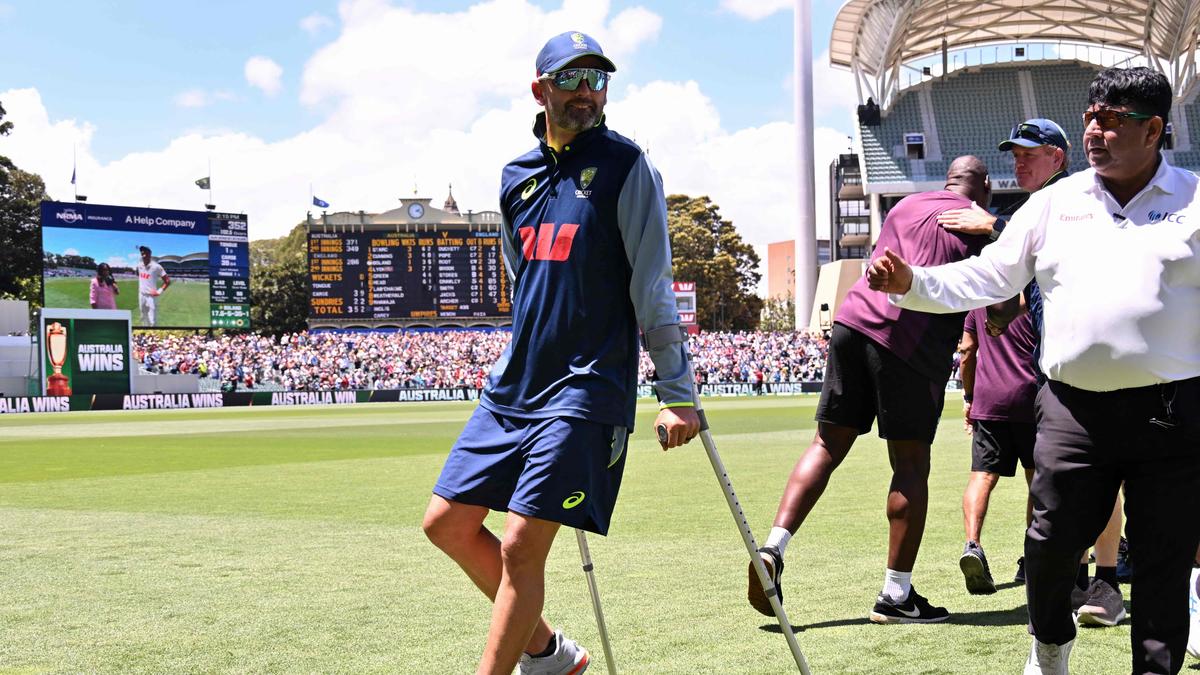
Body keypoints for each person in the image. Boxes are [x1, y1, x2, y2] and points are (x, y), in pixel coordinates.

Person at [867, 67, 1200, 675]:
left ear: (1153, 130)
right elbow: (989, 276)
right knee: (1048, 549)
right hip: (1073, 408)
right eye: (1090, 117)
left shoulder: (1195, 198)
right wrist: (914, 282)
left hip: (1173, 411)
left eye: (1111, 120)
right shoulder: (1053, 204)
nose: (1094, 131)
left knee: (1163, 560)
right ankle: (1050, 648)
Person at [421, 31, 700, 675]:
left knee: (521, 545)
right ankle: (548, 654)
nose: (585, 92)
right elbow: (522, 280)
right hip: (515, 386)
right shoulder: (514, 177)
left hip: (586, 386)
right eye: (570, 78)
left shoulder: (628, 166)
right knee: (445, 524)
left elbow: (652, 286)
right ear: (539, 89)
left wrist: (676, 392)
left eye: (596, 79)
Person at [747, 156, 992, 624]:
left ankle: (773, 548)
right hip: (908, 344)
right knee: (910, 464)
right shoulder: (979, 224)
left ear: (947, 181)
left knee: (825, 444)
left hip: (851, 321)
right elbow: (998, 305)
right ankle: (896, 594)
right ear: (983, 189)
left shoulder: (905, 205)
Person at [954, 119, 1070, 594]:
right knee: (1039, 479)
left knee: (985, 476)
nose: (1018, 162)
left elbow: (967, 348)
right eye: (1015, 155)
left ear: (1057, 157)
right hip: (1031, 393)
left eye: (1029, 154)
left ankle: (973, 543)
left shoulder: (1066, 200)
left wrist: (992, 225)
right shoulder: (1030, 215)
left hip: (1004, 396)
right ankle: (1033, 557)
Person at [136, 246, 170, 326]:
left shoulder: (156, 267)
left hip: (151, 296)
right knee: (143, 317)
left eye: (145, 253)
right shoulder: (139, 265)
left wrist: (159, 291)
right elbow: (138, 274)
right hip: (141, 295)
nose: (143, 255)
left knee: (152, 320)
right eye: (142, 253)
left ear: (150, 254)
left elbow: (167, 281)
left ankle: (153, 330)